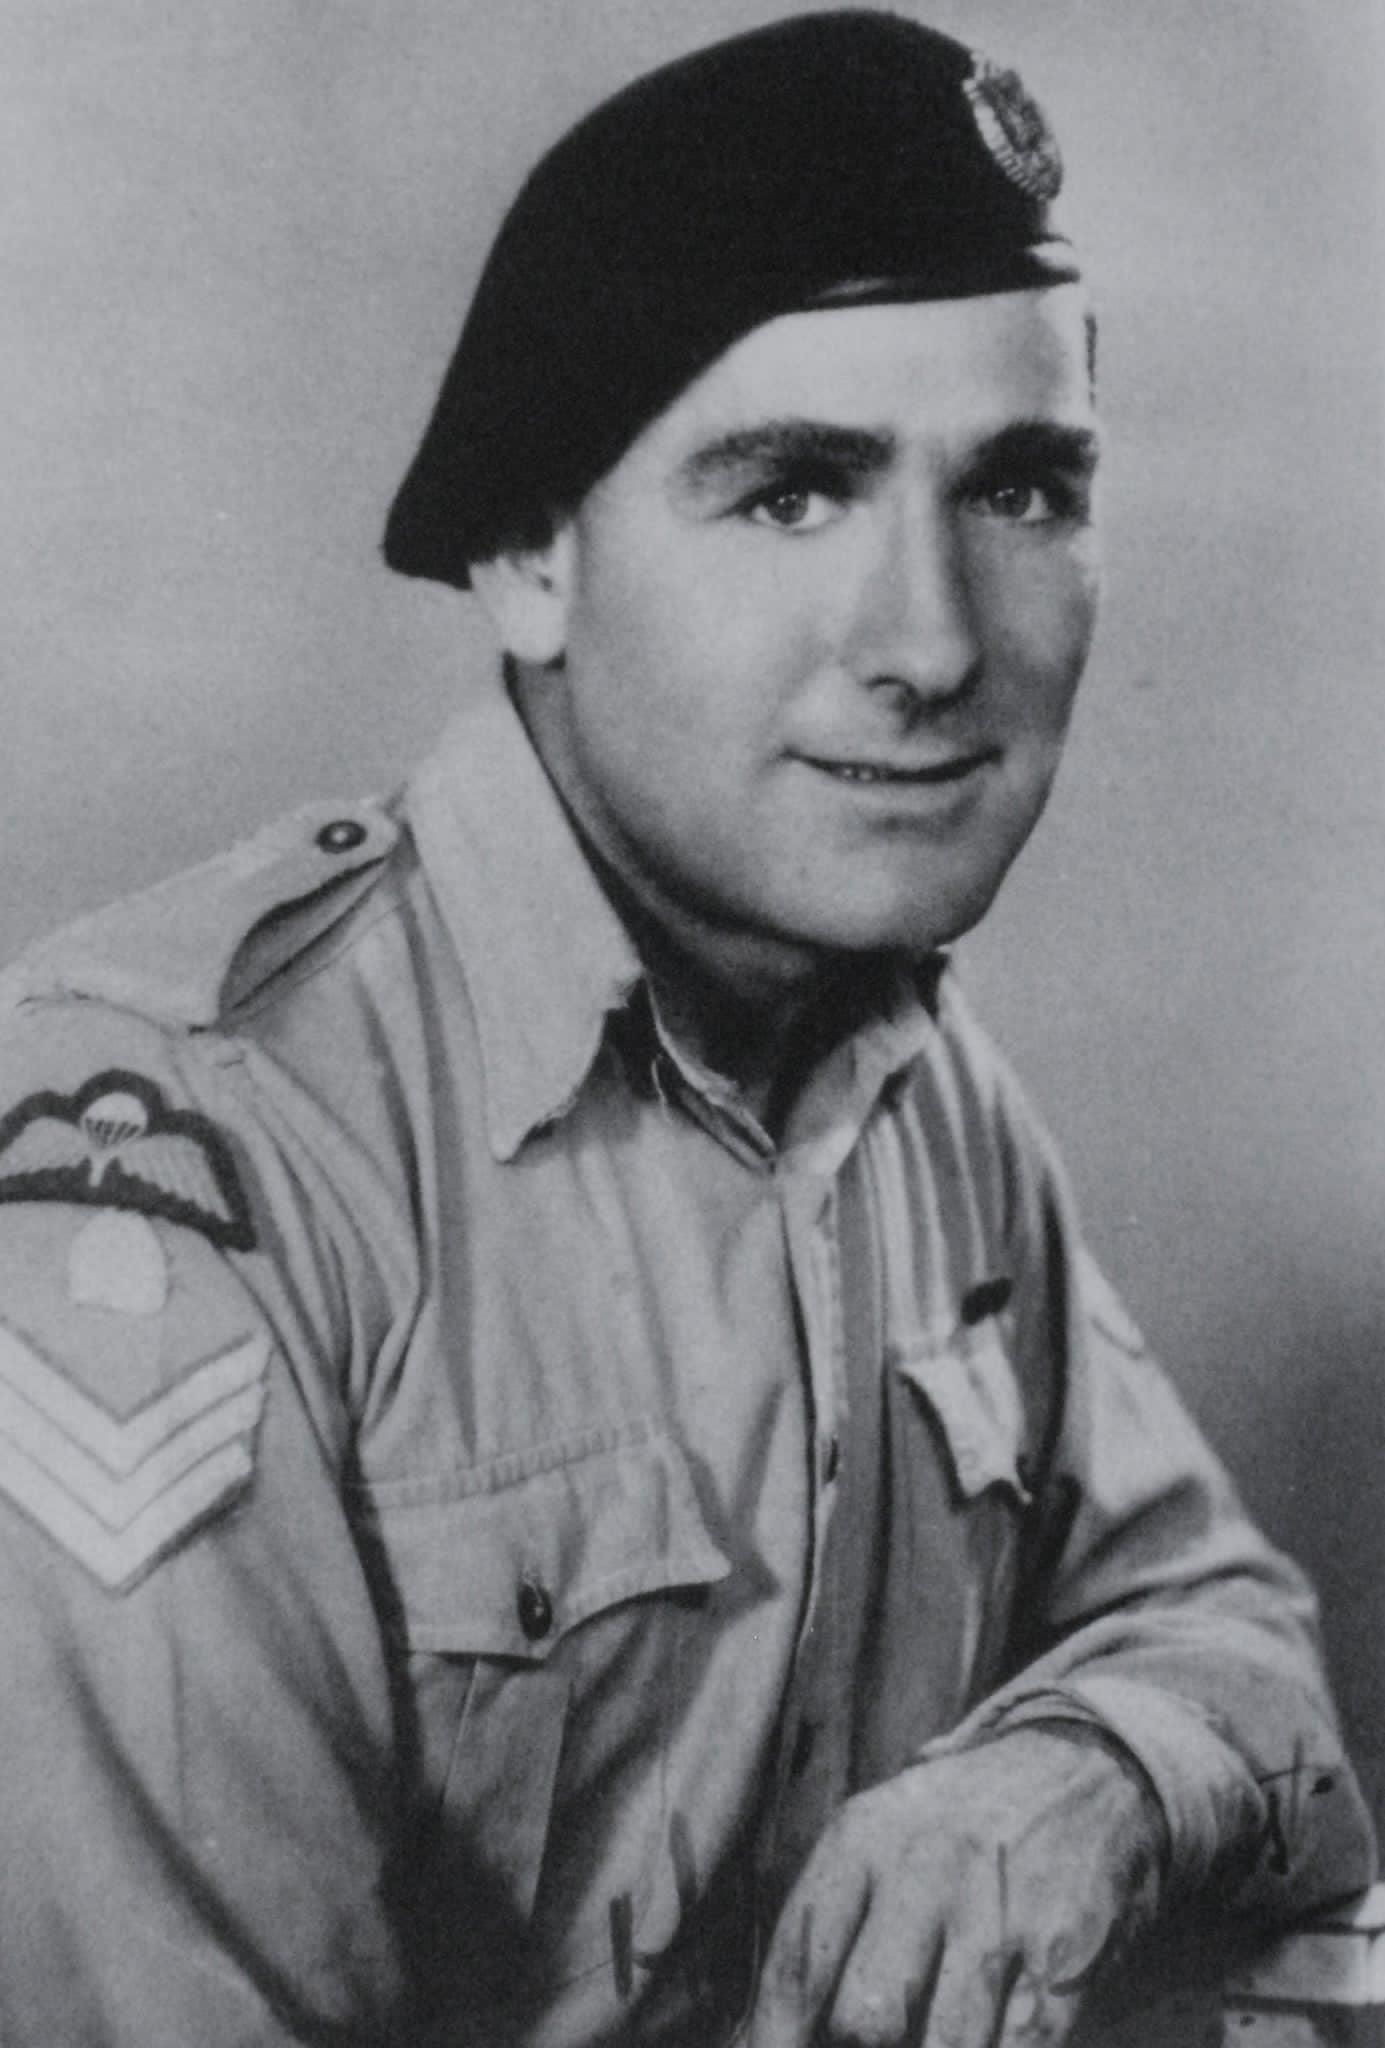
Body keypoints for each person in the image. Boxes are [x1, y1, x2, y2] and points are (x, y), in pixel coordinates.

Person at [0, 10, 1372, 2045]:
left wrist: (1084, 1772)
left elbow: (1219, 1625)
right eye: (794, 495)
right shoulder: (192, 1166)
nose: (929, 643)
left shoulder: (912, 1080)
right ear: (529, 556)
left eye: (1018, 487)